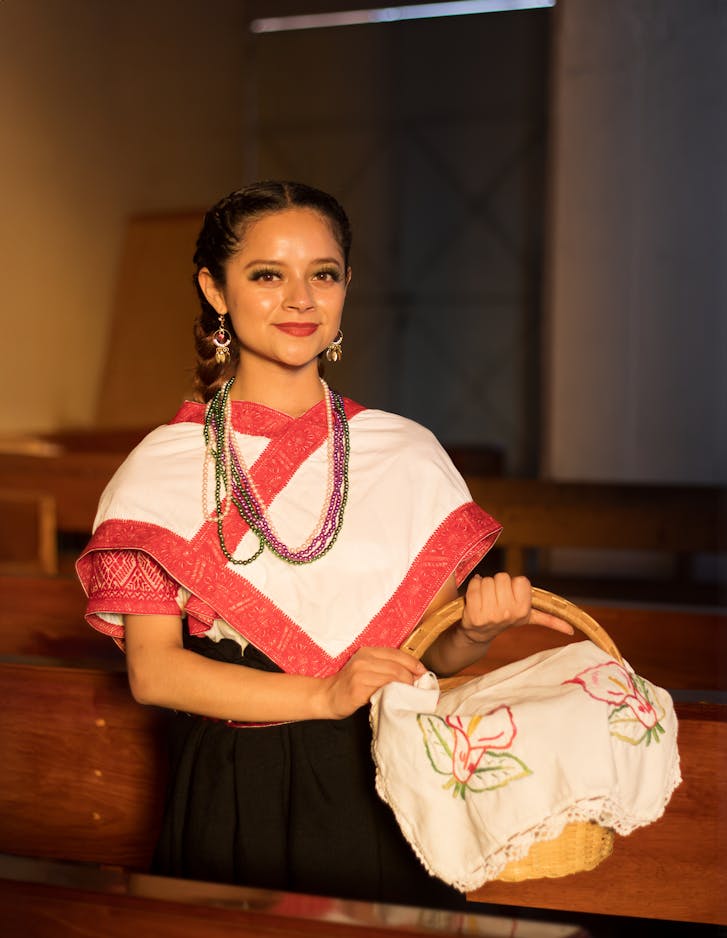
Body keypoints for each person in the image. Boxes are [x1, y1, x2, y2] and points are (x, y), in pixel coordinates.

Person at [77, 181, 571, 909]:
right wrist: (323, 692)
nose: (300, 299)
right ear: (216, 289)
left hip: (383, 785)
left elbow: (427, 655)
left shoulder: (404, 454)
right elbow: (154, 673)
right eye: (268, 275)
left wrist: (472, 631)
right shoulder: (164, 466)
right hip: (230, 790)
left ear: (347, 287)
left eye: (324, 274)